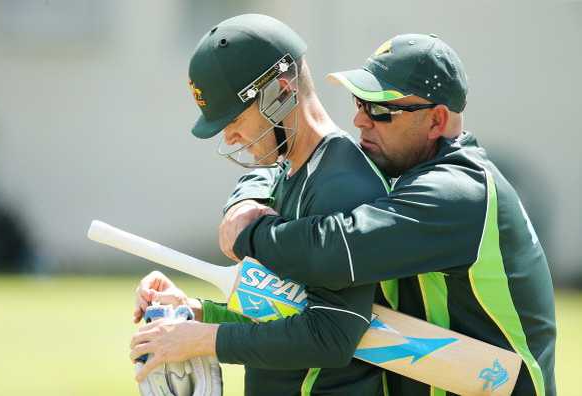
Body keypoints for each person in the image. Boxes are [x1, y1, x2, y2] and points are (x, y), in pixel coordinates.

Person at [220, 34, 557, 395]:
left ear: (436, 120)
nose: (360, 120)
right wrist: (246, 199)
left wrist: (249, 233)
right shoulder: (416, 169)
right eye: (360, 102)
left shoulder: (455, 193)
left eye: (381, 110)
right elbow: (290, 163)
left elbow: (334, 250)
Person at [130, 14, 393, 396]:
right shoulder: (290, 171)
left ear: (281, 91)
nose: (229, 134)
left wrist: (202, 339)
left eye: (234, 117)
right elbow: (283, 311)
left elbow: (331, 336)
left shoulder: (343, 186)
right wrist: (194, 311)